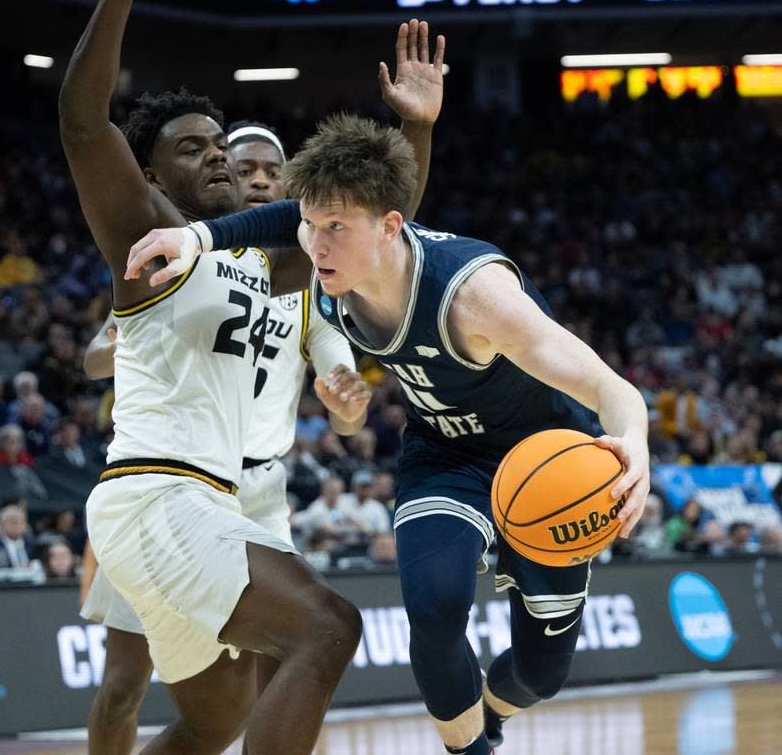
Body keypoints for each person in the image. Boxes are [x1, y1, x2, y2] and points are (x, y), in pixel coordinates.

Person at [126, 52, 651, 755]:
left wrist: (635, 446)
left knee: (540, 673)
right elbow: (276, 219)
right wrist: (192, 235)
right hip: (445, 454)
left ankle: (491, 711)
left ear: (390, 225)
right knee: (434, 608)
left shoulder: (476, 295)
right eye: (311, 226)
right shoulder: (327, 263)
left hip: (543, 451)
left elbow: (608, 386)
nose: (316, 243)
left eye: (336, 227)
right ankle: (469, 748)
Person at [59, 0, 363, 754]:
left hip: (218, 498)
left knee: (215, 719)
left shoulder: (261, 259)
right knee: (328, 626)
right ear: (152, 177)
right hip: (160, 490)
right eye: (193, 149)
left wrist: (412, 131)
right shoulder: (148, 234)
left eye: (223, 146)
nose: (220, 160)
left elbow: (374, 237)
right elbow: (83, 125)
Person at [79, 117, 382, 755]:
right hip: (164, 485)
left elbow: (344, 392)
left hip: (252, 492)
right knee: (124, 682)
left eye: (276, 171)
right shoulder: (180, 251)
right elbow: (99, 350)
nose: (260, 179)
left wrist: (345, 400)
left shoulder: (299, 281)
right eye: (246, 169)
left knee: (257, 688)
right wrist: (122, 336)